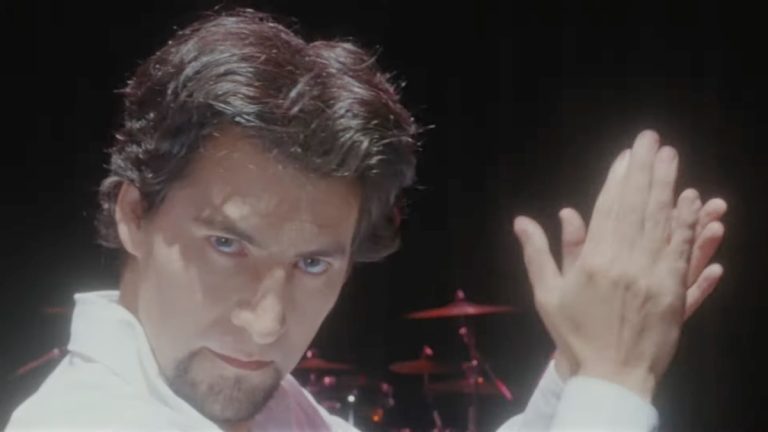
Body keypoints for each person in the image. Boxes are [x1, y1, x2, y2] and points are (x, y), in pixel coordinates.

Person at [6, 8, 726, 431]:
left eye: (313, 263)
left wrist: (579, 367)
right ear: (133, 215)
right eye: (226, 243)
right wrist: (613, 382)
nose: (267, 323)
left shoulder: (250, 408)